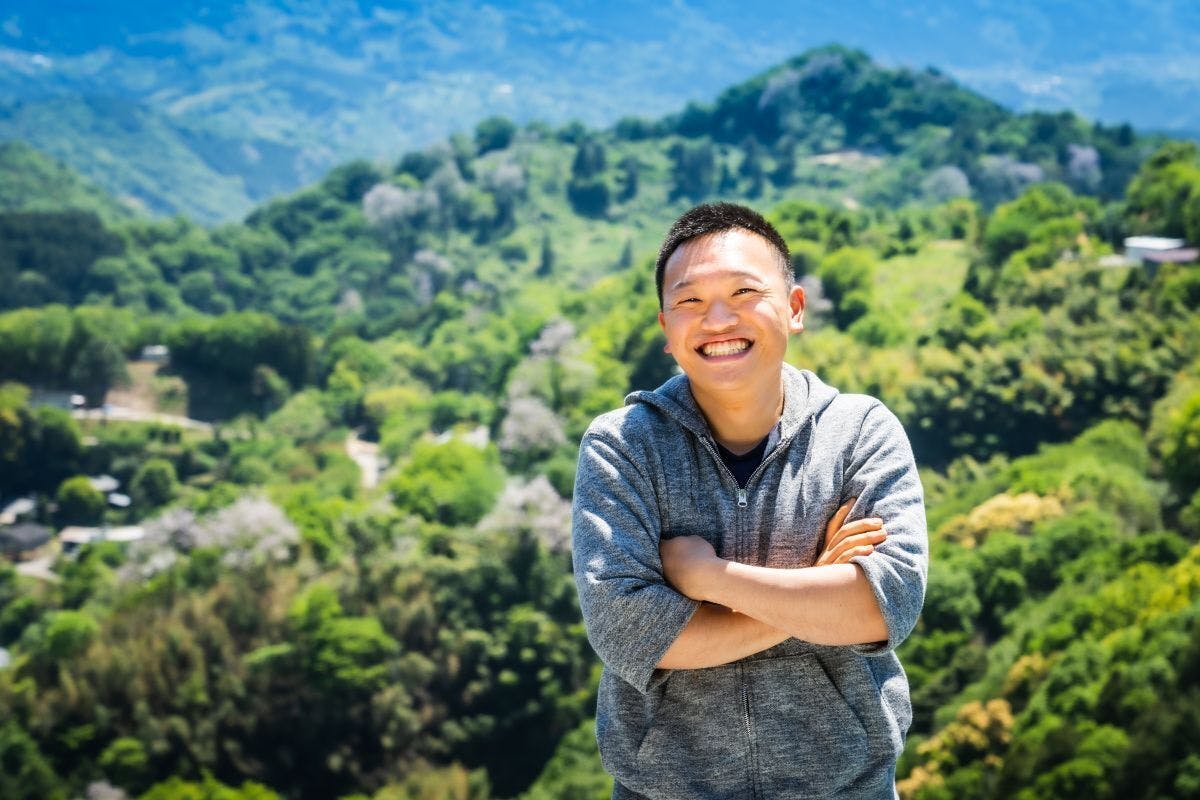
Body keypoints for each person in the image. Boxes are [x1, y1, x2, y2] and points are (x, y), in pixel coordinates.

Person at [571, 202, 928, 799]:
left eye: (743, 292)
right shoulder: (623, 446)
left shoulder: (860, 432)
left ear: (794, 308)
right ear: (666, 329)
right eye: (689, 300)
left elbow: (881, 608)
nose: (717, 319)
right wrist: (815, 587)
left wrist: (708, 577)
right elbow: (632, 635)